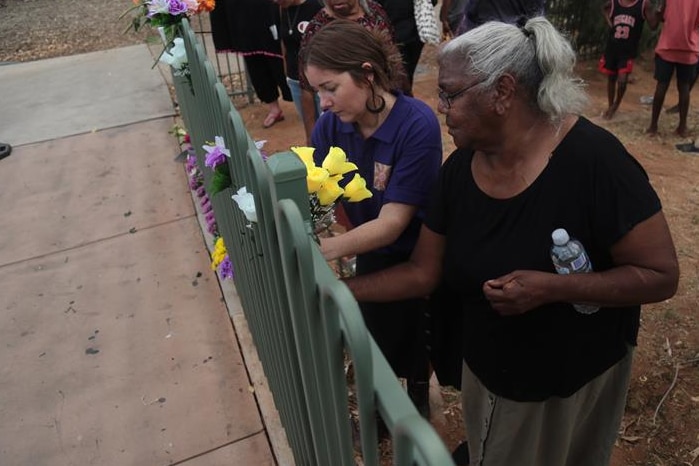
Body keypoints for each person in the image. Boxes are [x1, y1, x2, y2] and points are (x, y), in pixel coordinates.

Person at [344, 16, 680, 466]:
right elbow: (425, 272)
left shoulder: (595, 163)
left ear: (502, 91)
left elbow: (660, 276)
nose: (440, 107)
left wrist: (553, 288)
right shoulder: (460, 171)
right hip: (490, 373)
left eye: (450, 94)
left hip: (571, 377)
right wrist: (339, 292)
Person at [301, 19, 443, 416]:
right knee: (375, 332)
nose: (324, 102)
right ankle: (381, 406)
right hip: (369, 246)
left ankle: (417, 393)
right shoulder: (332, 127)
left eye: (330, 88)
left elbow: (394, 222)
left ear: (367, 74)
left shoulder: (416, 125)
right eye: (317, 91)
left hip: (419, 253)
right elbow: (319, 190)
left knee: (418, 336)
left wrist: (325, 248)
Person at [298, 0, 403, 144]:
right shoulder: (315, 28)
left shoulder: (376, 11)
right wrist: (311, 136)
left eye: (331, 88)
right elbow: (306, 87)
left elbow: (393, 56)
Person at [210, 0, 292, 128]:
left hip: (269, 13)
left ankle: (307, 105)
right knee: (256, 67)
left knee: (282, 63)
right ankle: (274, 109)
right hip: (243, 18)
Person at [599, 0, 660, 119]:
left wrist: (659, 13)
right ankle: (610, 105)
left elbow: (653, 26)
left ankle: (616, 105)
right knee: (611, 78)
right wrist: (609, 22)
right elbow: (604, 8)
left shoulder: (643, 4)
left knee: (622, 81)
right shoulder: (614, 2)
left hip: (627, 51)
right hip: (612, 47)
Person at [646, 0, 699, 137]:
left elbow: (660, 17)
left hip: (667, 45)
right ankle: (682, 127)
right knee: (684, 87)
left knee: (661, 85)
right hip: (688, 48)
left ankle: (653, 126)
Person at [275, 0, 324, 123]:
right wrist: (286, 70)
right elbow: (284, 40)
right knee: (308, 124)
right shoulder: (283, 8)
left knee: (326, 127)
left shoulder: (317, 7)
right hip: (295, 79)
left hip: (318, 81)